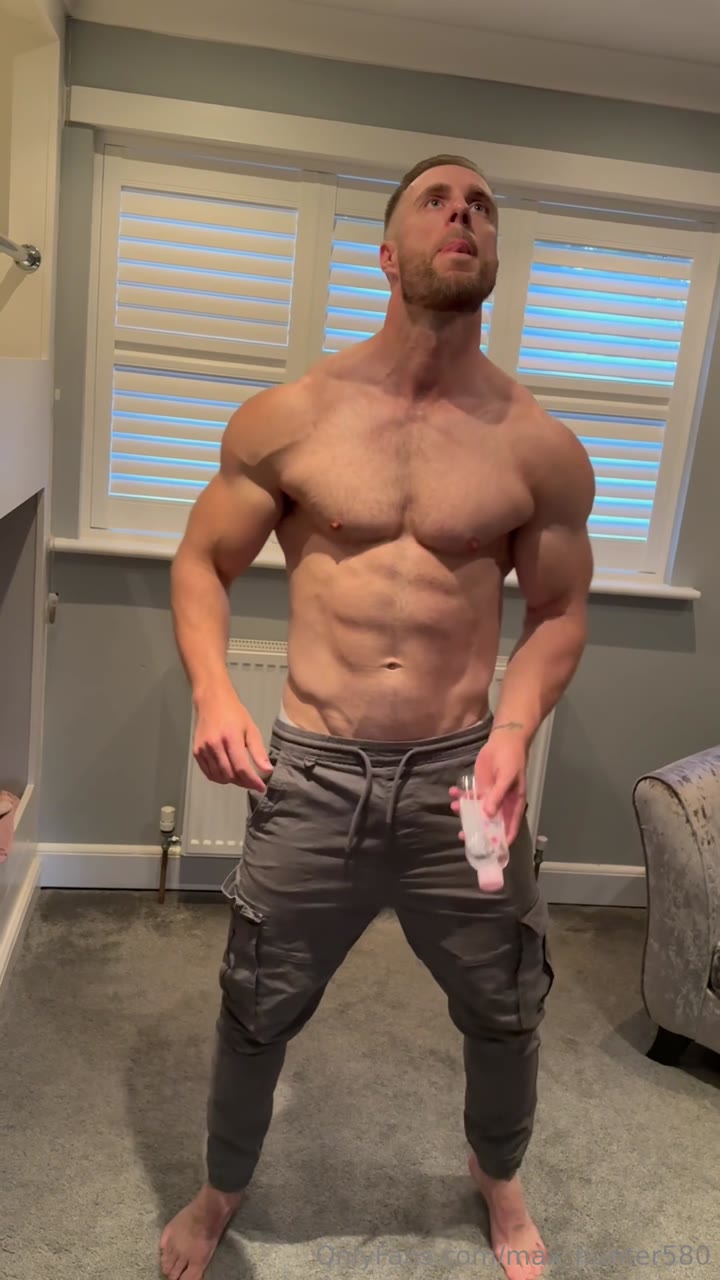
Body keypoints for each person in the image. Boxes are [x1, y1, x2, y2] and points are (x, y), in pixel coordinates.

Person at [160, 154, 594, 1280]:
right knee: (257, 1003)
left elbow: (558, 613)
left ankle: (497, 1174)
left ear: (494, 252)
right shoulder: (292, 418)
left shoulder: (537, 446)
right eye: (437, 200)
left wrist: (512, 733)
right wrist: (213, 687)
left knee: (506, 1003)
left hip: (465, 780)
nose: (464, 214)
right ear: (387, 252)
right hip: (315, 777)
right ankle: (221, 1187)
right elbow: (202, 563)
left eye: (482, 205)